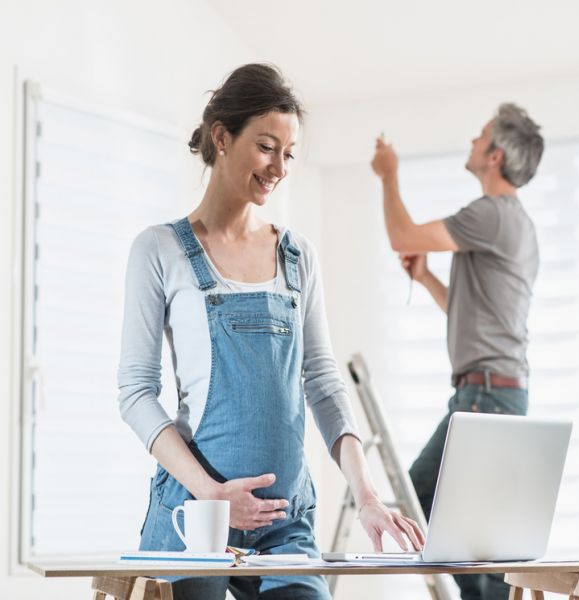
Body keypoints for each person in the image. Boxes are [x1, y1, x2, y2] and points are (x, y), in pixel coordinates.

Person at [118, 63, 423, 600]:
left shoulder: (297, 255)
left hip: (284, 526)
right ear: (221, 137)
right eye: (265, 146)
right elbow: (136, 394)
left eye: (288, 153)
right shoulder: (159, 250)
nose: (279, 166)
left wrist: (368, 496)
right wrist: (211, 494)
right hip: (195, 519)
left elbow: (324, 383)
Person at [370, 104, 544, 600]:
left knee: (424, 507)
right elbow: (472, 316)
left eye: (480, 135)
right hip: (495, 395)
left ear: (493, 155)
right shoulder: (515, 224)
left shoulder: (489, 214)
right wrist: (425, 277)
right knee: (474, 541)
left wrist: (389, 174)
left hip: (484, 399)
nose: (472, 139)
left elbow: (401, 234)